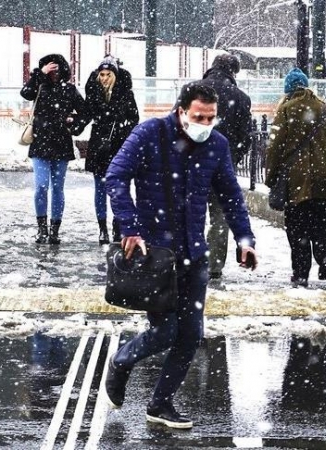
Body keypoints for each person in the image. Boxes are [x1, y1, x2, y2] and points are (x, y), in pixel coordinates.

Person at [104, 83, 258, 429]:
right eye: (198, 116)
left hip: (194, 254)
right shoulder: (150, 134)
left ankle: (160, 404)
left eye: (211, 117)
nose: (205, 123)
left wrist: (245, 239)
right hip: (155, 256)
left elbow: (231, 195)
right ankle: (122, 361)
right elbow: (115, 176)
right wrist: (129, 227)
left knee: (190, 335)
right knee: (166, 330)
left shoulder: (217, 145)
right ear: (181, 112)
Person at [265, 68, 326, 288]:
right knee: (321, 223)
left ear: (288, 90)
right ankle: (325, 257)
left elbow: (275, 147)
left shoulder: (285, 110)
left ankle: (301, 273)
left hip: (297, 180)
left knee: (297, 227)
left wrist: (271, 176)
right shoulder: (324, 109)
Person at [178, 53, 255, 279]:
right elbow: (245, 137)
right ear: (233, 72)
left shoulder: (191, 90)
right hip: (223, 167)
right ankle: (213, 266)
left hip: (189, 164)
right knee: (220, 217)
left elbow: (175, 125)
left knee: (190, 213)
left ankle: (189, 258)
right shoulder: (241, 98)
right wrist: (232, 158)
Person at [20, 54, 86, 245]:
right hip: (40, 142)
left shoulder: (70, 90)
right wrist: (40, 74)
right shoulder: (39, 85)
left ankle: (55, 229)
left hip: (61, 143)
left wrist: (74, 123)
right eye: (50, 69)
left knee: (57, 188)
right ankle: (41, 228)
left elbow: (84, 112)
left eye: (57, 68)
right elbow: (26, 93)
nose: (54, 73)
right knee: (41, 186)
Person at [83, 55, 139, 245]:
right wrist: (73, 124)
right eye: (102, 74)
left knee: (118, 189)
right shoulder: (93, 92)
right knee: (100, 188)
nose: (104, 78)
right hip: (99, 145)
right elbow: (85, 114)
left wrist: (121, 128)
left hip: (119, 146)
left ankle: (117, 226)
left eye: (108, 74)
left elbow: (134, 118)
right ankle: (102, 228)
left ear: (115, 75)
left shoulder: (125, 93)